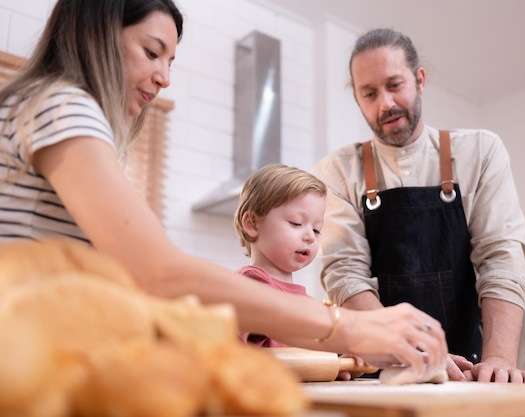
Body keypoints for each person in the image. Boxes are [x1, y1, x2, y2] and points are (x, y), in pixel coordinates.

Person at [0, 1, 447, 379]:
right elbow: (160, 273)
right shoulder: (61, 105)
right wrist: (348, 327)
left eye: (170, 61)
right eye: (152, 52)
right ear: (94, 32)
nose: (164, 77)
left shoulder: (47, 108)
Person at [312, 28, 525, 383]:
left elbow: (501, 257)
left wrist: (499, 358)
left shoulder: (480, 152)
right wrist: (412, 351)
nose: (384, 103)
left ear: (419, 80)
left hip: (472, 369)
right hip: (384, 370)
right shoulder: (336, 171)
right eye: (369, 93)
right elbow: (345, 274)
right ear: (357, 99)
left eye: (394, 85)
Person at [234, 163, 368, 380]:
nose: (310, 236)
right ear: (252, 223)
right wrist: (340, 337)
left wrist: (338, 363)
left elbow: (305, 357)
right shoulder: (250, 285)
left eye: (316, 229)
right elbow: (278, 324)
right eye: (296, 223)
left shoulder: (305, 300)